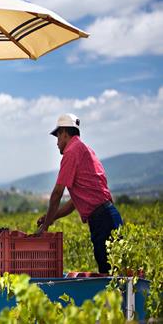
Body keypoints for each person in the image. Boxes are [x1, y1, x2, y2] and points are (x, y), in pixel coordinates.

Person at [35, 113, 123, 273]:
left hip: (102, 220)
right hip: (109, 216)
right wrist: (52, 217)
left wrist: (45, 226)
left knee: (111, 277)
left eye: (57, 137)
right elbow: (73, 204)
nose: (57, 143)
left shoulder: (71, 152)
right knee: (115, 274)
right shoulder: (85, 150)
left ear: (64, 133)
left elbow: (57, 194)